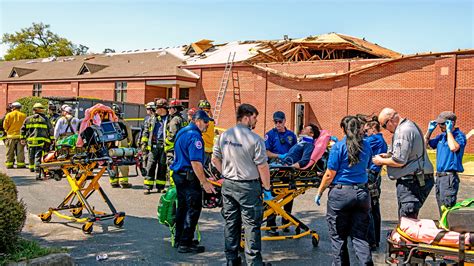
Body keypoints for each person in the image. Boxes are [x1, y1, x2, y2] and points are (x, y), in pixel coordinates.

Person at [212, 103, 272, 266]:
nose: (256, 121)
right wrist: (267, 188)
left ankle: (231, 260)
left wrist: (225, 173)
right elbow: (262, 166)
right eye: (255, 117)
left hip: (229, 185)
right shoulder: (255, 139)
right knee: (251, 226)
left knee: (231, 223)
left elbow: (215, 158)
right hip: (248, 187)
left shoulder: (224, 136)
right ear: (246, 117)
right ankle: (254, 262)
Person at [315, 116, 373, 266]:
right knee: (360, 237)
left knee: (338, 237)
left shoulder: (338, 147)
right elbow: (367, 165)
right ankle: (366, 263)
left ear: (343, 129)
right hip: (361, 193)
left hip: (341, 194)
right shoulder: (366, 146)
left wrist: (320, 192)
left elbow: (329, 174)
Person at [372, 108, 434, 219]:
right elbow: (408, 154)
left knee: (407, 220)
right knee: (408, 218)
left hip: (412, 182)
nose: (385, 129)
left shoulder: (403, 131)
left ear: (390, 120)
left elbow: (399, 161)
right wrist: (388, 156)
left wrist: (380, 161)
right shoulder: (410, 125)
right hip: (416, 178)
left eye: (384, 126)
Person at [170, 110, 216, 253]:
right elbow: (196, 162)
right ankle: (185, 243)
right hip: (189, 178)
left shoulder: (182, 131)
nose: (208, 125)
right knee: (193, 209)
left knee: (182, 208)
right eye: (206, 122)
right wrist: (204, 182)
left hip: (179, 175)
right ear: (198, 121)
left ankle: (180, 239)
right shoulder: (195, 137)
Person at [424, 111, 466, 215]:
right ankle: (445, 227)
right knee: (441, 208)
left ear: (451, 123)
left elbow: (453, 147)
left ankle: (449, 229)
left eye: (443, 123)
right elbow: (425, 146)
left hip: (449, 178)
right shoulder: (441, 136)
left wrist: (449, 131)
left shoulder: (459, 136)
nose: (440, 126)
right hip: (439, 177)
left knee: (448, 209)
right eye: (439, 123)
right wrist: (429, 132)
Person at [362, 115, 388, 250]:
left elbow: (359, 144)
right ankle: (375, 239)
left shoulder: (373, 139)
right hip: (376, 175)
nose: (365, 132)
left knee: (369, 209)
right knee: (375, 208)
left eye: (367, 130)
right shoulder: (381, 140)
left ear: (373, 128)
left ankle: (371, 240)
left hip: (370, 175)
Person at [141, 98, 169, 194]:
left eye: (157, 108)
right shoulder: (152, 119)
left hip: (164, 147)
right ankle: (148, 186)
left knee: (162, 167)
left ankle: (160, 187)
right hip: (153, 146)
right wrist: (144, 144)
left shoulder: (169, 119)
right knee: (150, 166)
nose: (155, 110)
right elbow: (146, 132)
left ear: (162, 108)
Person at [20, 103, 54, 180]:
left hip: (30, 141)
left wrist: (22, 139)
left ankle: (31, 168)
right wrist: (52, 139)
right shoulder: (45, 119)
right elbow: (51, 130)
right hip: (42, 141)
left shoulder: (28, 119)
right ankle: (37, 169)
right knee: (38, 156)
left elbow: (22, 129)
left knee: (31, 155)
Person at [109, 104, 133, 189]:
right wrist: (130, 143)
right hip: (122, 145)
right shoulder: (124, 123)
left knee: (112, 162)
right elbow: (129, 136)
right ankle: (124, 182)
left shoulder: (109, 123)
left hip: (111, 146)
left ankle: (114, 182)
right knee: (123, 163)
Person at [165, 99, 188, 184]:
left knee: (171, 166)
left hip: (172, 149)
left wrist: (166, 143)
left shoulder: (174, 120)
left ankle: (173, 187)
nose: (168, 110)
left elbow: (172, 135)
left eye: (170, 108)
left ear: (174, 109)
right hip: (182, 149)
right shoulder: (184, 120)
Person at [3, 102, 26, 169]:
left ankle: (9, 164)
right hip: (20, 136)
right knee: (20, 152)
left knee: (10, 151)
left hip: (10, 136)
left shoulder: (9, 115)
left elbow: (5, 126)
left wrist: (7, 130)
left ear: (13, 107)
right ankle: (20, 164)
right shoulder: (23, 115)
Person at [198, 100, 215, 165]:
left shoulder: (204, 122)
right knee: (207, 171)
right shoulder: (211, 121)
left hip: (202, 149)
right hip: (209, 149)